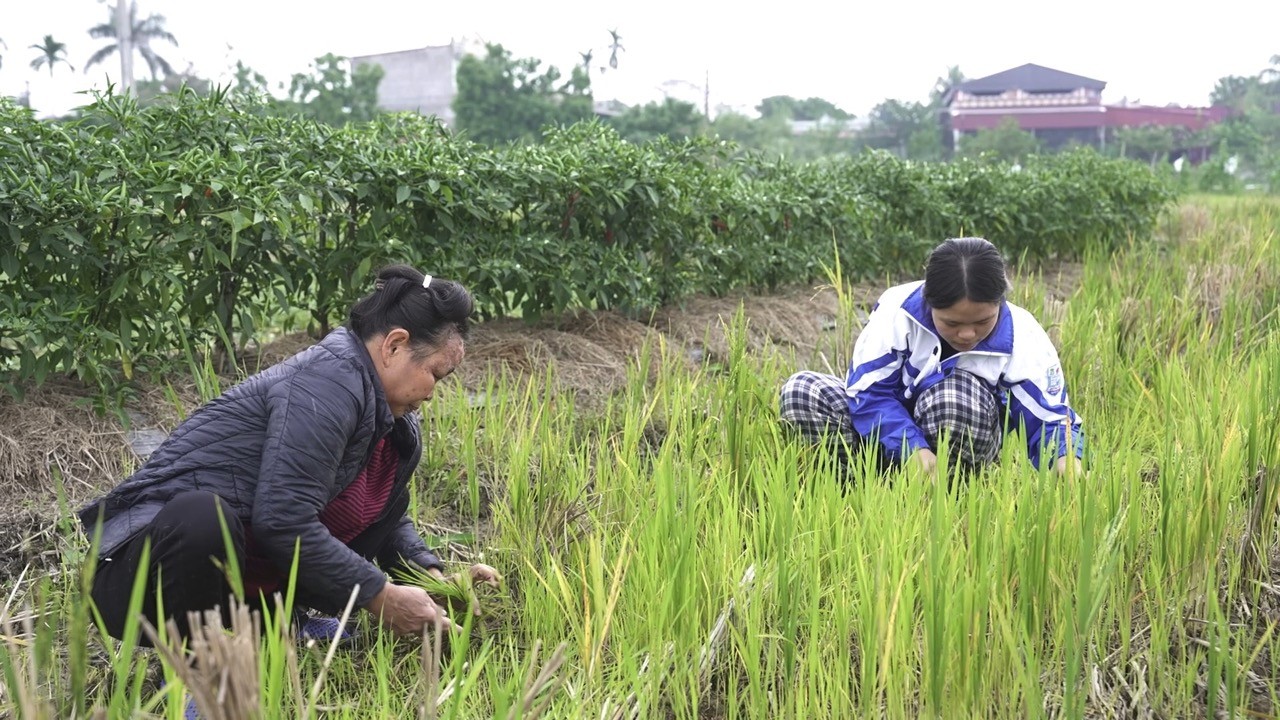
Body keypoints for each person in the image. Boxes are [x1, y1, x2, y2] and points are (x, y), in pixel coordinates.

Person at [79, 265, 500, 644]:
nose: (432, 392)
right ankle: (197, 668)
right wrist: (380, 596)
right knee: (205, 517)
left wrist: (431, 576)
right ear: (394, 345)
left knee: (338, 505)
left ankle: (276, 619)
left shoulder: (387, 416)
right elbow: (283, 521)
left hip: (231, 570)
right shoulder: (327, 384)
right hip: (138, 575)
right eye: (435, 374)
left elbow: (383, 514)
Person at [780, 237, 1084, 476]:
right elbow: (867, 394)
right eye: (952, 323)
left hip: (958, 434)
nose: (967, 334)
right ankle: (858, 492)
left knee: (951, 401)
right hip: (886, 439)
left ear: (999, 303)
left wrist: (1067, 464)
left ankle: (951, 498)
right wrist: (913, 450)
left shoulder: (1023, 334)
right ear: (929, 302)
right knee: (802, 392)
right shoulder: (896, 311)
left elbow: (1050, 418)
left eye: (982, 322)